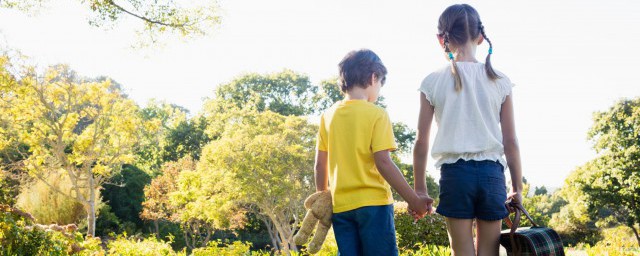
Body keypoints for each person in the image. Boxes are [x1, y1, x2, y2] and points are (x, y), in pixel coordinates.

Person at [412, 4, 524, 256]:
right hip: (492, 176)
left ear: (441, 39)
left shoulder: (431, 81)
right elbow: (511, 141)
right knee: (489, 252)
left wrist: (420, 190)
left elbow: (421, 141)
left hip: (455, 176)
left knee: (460, 252)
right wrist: (516, 187)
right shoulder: (500, 81)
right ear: (480, 37)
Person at [314, 49, 433, 256]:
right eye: (380, 85)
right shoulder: (377, 114)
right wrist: (413, 200)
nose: (378, 91)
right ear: (373, 77)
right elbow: (383, 163)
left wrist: (322, 197)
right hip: (373, 206)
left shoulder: (328, 116)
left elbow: (320, 164)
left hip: (341, 208)